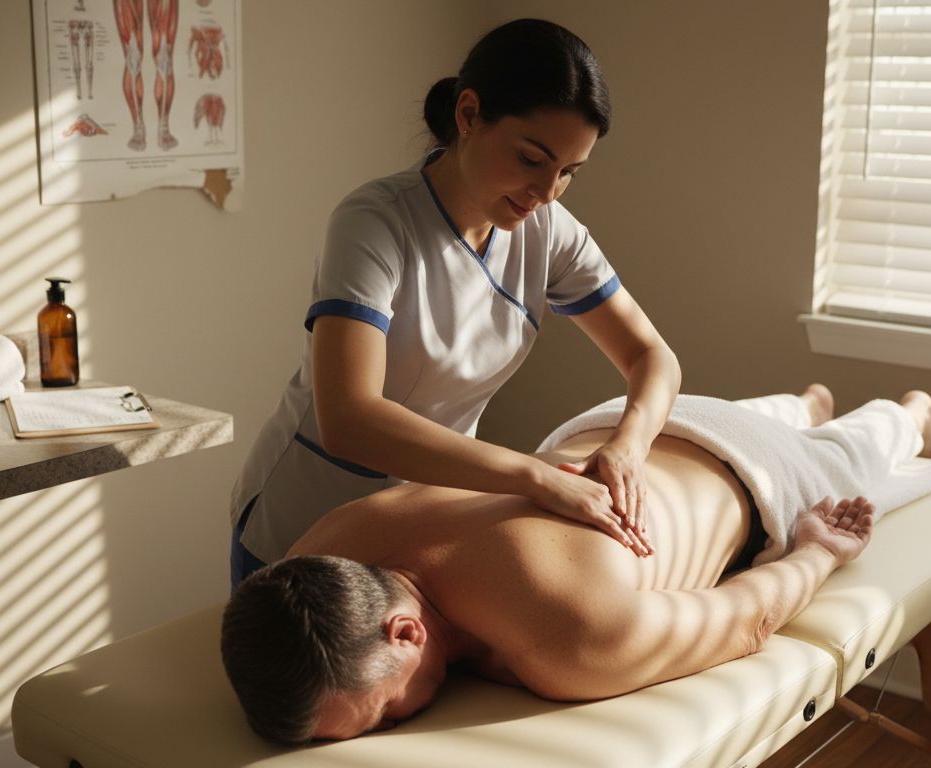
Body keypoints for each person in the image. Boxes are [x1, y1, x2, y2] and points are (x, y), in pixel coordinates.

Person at [221, 386, 931, 744]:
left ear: (406, 633)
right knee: (765, 412)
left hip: (754, 473)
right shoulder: (316, 553)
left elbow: (745, 618)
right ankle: (802, 399)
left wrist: (818, 549)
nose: (387, 729)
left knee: (856, 449)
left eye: (381, 715)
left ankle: (907, 412)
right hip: (609, 427)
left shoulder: (568, 633)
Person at [228, 18, 681, 588]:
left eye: (568, 172)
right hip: (305, 526)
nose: (546, 193)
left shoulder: (547, 231)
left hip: (421, 521)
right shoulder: (375, 223)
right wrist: (535, 475)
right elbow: (349, 418)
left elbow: (653, 357)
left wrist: (628, 446)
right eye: (531, 159)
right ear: (469, 115)